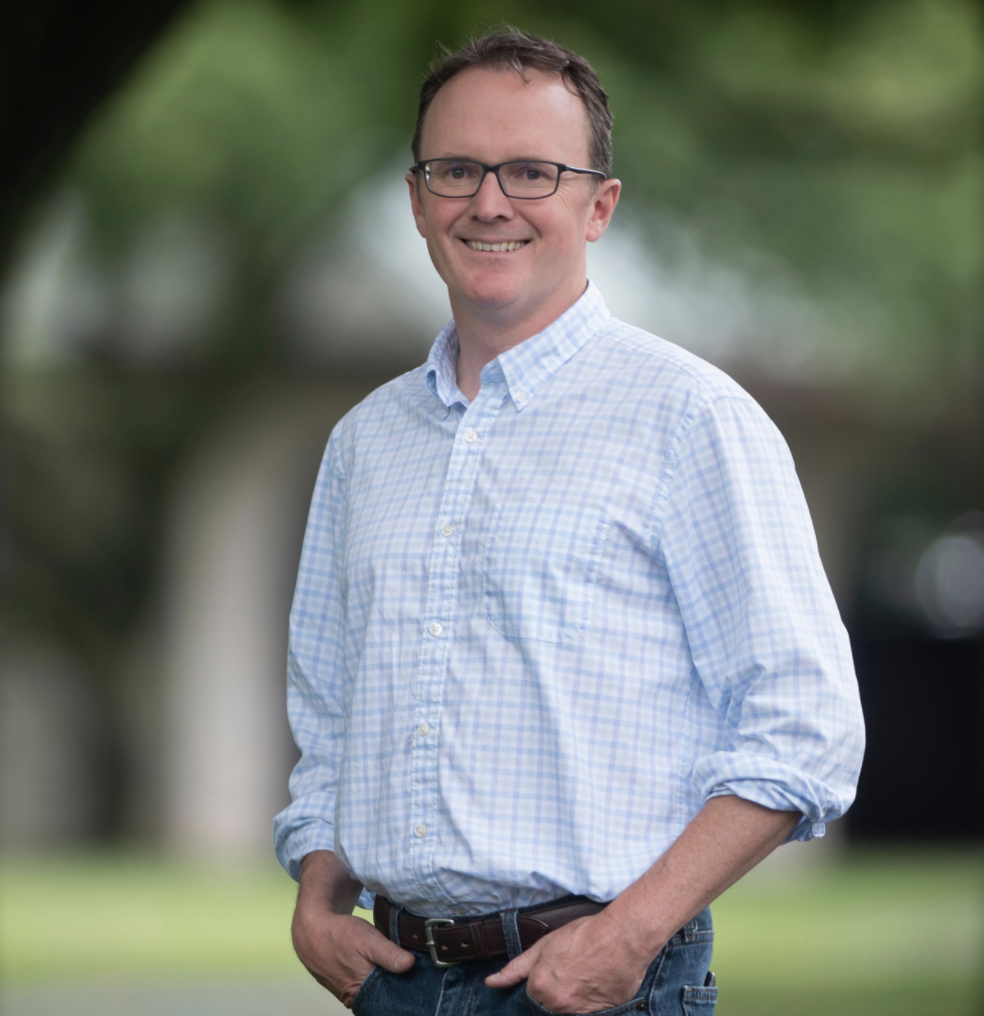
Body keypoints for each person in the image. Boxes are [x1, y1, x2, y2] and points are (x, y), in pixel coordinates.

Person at [275, 27, 864, 1016]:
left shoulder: (692, 422)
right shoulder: (362, 444)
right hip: (397, 986)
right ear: (418, 198)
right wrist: (317, 892)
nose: (489, 201)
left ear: (599, 205)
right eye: (457, 169)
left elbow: (804, 728)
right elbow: (332, 713)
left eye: (531, 171)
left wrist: (629, 934)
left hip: (601, 987)